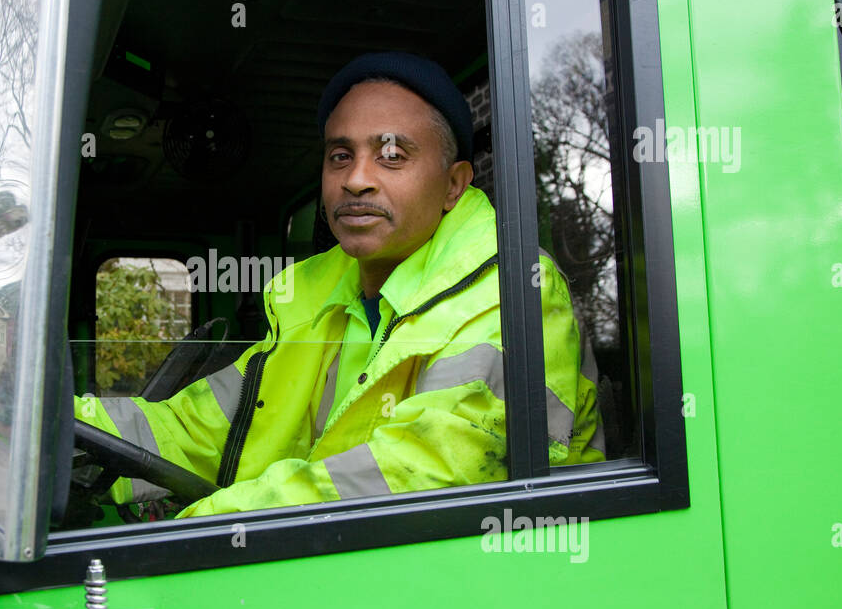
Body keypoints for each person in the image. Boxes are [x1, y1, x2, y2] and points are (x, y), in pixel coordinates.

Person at [76, 52, 605, 517]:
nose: (356, 178)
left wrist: (212, 523)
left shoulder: (515, 292)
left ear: (453, 184)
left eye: (393, 155)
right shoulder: (314, 302)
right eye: (340, 155)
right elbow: (196, 429)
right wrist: (54, 430)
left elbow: (427, 471)